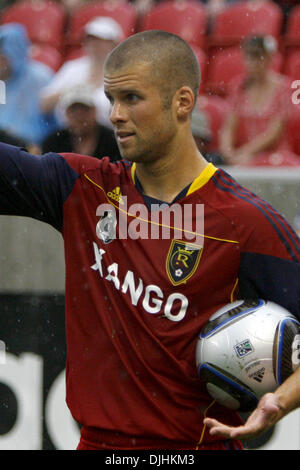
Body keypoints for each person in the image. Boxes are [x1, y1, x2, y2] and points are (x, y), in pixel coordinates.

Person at [0, 30, 299, 451]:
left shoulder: (244, 221)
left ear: (182, 102)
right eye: (111, 99)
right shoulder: (83, 188)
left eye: (132, 98)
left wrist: (280, 400)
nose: (116, 115)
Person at [220, 35, 296, 166]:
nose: (252, 62)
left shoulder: (284, 88)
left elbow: (274, 133)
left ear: (269, 58)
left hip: (274, 157)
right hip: (242, 156)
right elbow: (228, 126)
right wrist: (227, 151)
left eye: (257, 56)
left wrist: (245, 152)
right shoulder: (238, 86)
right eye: (248, 57)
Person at [40, 16, 124, 129]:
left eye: (101, 41)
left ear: (113, 44)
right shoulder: (72, 68)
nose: (95, 45)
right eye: (91, 40)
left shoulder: (123, 72)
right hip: (68, 134)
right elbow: (44, 105)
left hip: (108, 137)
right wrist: (72, 92)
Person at [0, 23, 57, 146]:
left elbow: (52, 119)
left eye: (3, 56)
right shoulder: (1, 82)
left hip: (33, 147)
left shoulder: (40, 77)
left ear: (15, 52)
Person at [41, 86, 121, 161]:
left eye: (84, 109)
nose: (79, 116)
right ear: (66, 113)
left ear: (94, 111)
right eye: (73, 110)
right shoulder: (53, 142)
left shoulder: (113, 142)